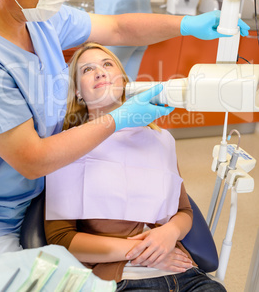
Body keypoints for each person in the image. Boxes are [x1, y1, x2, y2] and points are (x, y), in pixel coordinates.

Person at [0, 0, 249, 257]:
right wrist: (119, 119)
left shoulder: (41, 20)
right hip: (3, 215)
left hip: (46, 188)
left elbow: (118, 28)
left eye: (108, 64)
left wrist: (186, 24)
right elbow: (33, 161)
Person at [45, 42, 226, 292]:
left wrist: (169, 233)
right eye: (87, 69)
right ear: (77, 91)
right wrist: (144, 250)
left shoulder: (159, 139)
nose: (100, 71)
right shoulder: (66, 146)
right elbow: (61, 238)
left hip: (184, 273)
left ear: (124, 81)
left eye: (108, 64)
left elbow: (184, 210)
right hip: (123, 279)